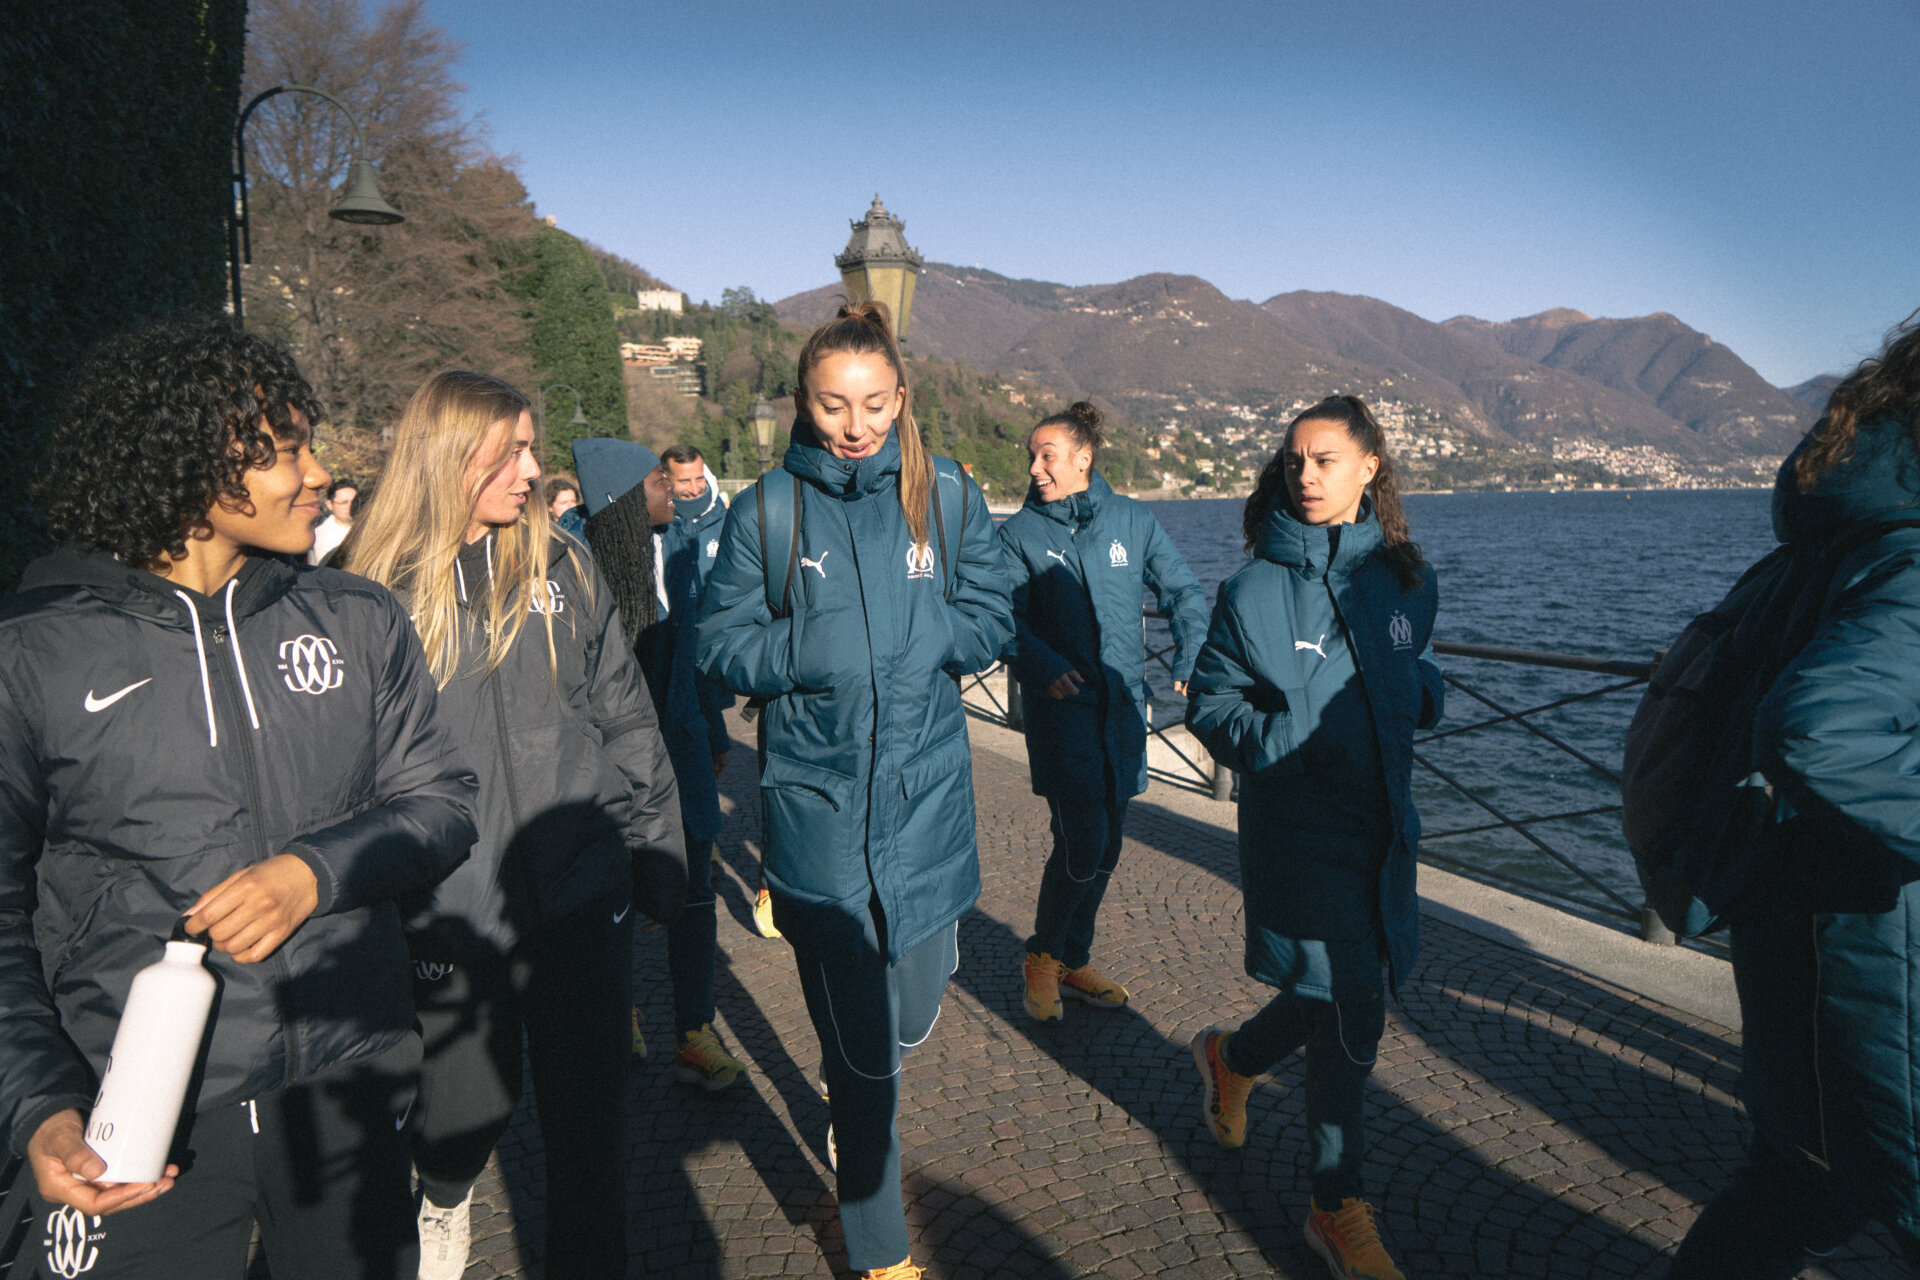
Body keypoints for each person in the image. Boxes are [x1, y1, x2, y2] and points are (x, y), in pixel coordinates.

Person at [0, 319, 479, 1280]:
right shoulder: (35, 656)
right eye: (284, 449)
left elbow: (443, 802)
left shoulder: (355, 617)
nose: (316, 473)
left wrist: (316, 875)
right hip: (133, 1114)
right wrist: (37, 1105)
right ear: (184, 461)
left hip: (349, 1078)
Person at [696, 302, 1012, 1280]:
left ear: (902, 399)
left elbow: (993, 604)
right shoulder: (768, 513)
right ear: (805, 403)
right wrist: (804, 648)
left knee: (913, 1006)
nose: (855, 423)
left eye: (874, 402)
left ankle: (860, 1089)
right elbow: (716, 641)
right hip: (820, 818)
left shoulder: (945, 495)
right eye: (834, 403)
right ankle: (878, 1247)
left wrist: (938, 642)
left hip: (928, 808)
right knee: (866, 1056)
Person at [347, 369, 685, 1280]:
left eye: (532, 448)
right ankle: (443, 1191)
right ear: (452, 456)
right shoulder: (367, 588)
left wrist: (658, 849)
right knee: (464, 1116)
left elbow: (625, 715)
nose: (533, 469)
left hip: (582, 887)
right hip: (448, 904)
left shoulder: (560, 563)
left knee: (592, 1131)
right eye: (512, 451)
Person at [1665, 314, 1920, 1279]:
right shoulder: (1908, 558)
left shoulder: (1838, 538)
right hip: (1868, 954)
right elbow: (1821, 728)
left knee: (1792, 1184)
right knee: (1818, 1186)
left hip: (1794, 924)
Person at [1185, 395, 1442, 1280]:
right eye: (1295, 460)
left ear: (1371, 467)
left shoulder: (1406, 577)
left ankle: (1231, 1057)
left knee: (1333, 992)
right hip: (1299, 832)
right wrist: (1281, 739)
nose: (1306, 475)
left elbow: (1412, 660)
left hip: (1384, 833)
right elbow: (1210, 706)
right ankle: (1335, 1205)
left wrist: (1426, 693)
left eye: (1326, 459)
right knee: (1353, 1002)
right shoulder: (1251, 590)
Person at [997, 400, 1206, 1021]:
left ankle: (1072, 957)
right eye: (1032, 456)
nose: (1035, 467)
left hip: (1122, 713)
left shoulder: (1131, 521)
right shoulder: (1018, 536)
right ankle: (1040, 955)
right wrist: (1036, 663)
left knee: (1110, 843)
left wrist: (1189, 655)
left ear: (1083, 458)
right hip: (1061, 715)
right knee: (1081, 841)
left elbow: (1183, 590)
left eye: (1048, 455)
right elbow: (995, 616)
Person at [634, 444, 754, 1089]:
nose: (674, 491)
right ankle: (619, 1008)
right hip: (619, 764)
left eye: (680, 480)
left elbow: (696, 649)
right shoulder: (576, 556)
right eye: (661, 480)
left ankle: (693, 1029)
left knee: (697, 892)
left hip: (683, 739)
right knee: (621, 895)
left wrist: (711, 728)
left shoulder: (686, 545)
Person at [307, 478, 356, 565]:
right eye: (344, 502)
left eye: (355, 502)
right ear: (329, 504)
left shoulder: (370, 528)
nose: (351, 506)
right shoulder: (318, 536)